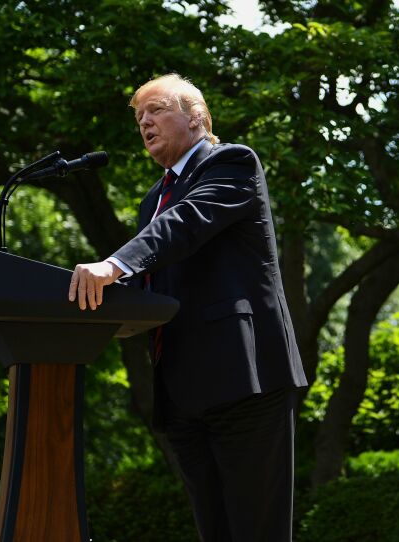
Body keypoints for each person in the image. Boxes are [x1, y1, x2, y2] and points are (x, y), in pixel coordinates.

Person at [68, 73, 307, 542]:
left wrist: (113, 265)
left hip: (244, 379)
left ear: (196, 116)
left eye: (156, 110)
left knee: (257, 531)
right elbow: (154, 281)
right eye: (140, 117)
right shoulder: (151, 201)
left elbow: (186, 223)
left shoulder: (232, 162)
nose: (145, 122)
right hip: (181, 393)